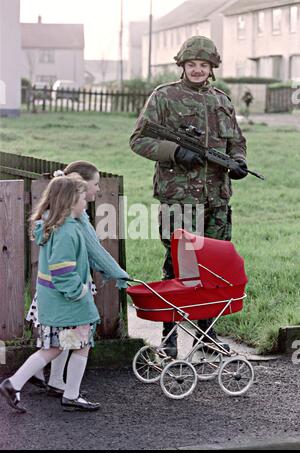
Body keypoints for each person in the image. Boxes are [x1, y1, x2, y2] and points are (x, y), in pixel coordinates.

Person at [129, 36, 247, 358]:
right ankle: (168, 337)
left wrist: (238, 162)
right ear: (182, 66)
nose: (197, 70)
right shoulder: (164, 97)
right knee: (178, 268)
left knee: (212, 269)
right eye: (192, 64)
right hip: (179, 199)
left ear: (212, 69)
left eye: (203, 65)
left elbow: (236, 140)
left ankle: (206, 335)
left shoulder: (222, 100)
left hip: (217, 199)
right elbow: (139, 140)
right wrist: (176, 152)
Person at [26, 161, 129, 398]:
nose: (98, 189)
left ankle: (52, 379)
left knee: (64, 337)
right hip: (69, 287)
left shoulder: (61, 215)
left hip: (62, 286)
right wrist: (118, 273)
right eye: (95, 184)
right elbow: (96, 252)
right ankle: (32, 379)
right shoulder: (72, 221)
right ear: (78, 187)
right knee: (67, 336)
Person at [0, 174, 102, 412]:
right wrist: (79, 292)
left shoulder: (54, 226)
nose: (85, 201)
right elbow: (62, 270)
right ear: (69, 201)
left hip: (56, 303)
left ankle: (15, 384)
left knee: (58, 346)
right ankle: (69, 395)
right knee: (77, 344)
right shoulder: (67, 231)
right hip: (69, 303)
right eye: (81, 197)